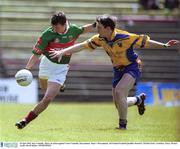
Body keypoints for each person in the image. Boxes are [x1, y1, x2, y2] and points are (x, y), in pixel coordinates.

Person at [49, 14, 179, 129]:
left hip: (132, 66)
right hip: (117, 70)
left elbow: (147, 42)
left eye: (99, 27)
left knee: (119, 91)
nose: (97, 29)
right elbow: (82, 46)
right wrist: (62, 51)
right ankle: (138, 100)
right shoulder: (99, 38)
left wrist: (164, 45)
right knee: (119, 104)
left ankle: (123, 126)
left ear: (108, 28)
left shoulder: (125, 37)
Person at [15, 11, 96, 129]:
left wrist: (95, 25)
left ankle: (25, 120)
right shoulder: (47, 34)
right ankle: (61, 85)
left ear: (64, 24)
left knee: (47, 99)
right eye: (53, 26)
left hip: (61, 68)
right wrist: (27, 69)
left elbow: (83, 29)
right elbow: (36, 54)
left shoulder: (73, 30)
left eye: (57, 27)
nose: (54, 29)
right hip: (46, 63)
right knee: (44, 88)